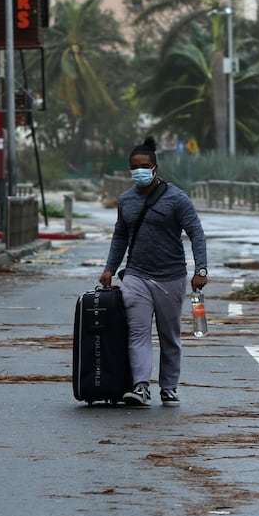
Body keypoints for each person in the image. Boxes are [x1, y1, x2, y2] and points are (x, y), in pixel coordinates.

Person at [100, 137, 208, 407]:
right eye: (135, 167)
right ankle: (141, 386)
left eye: (145, 166)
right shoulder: (126, 200)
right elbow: (120, 236)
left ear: (155, 168)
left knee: (169, 336)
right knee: (138, 332)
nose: (140, 171)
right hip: (136, 276)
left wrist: (201, 269)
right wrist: (110, 267)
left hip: (171, 277)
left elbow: (196, 233)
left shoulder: (177, 198)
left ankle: (169, 388)